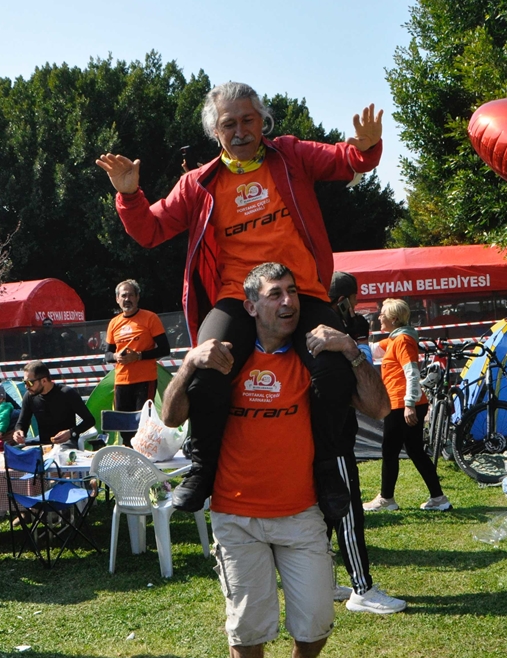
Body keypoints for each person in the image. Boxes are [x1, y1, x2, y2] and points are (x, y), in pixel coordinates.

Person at [96, 81, 384, 521]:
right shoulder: (199, 183)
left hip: (302, 293)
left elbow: (345, 160)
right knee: (207, 367)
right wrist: (130, 195)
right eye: (229, 123)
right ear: (217, 132)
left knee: (331, 368)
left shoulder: (290, 155)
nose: (240, 130)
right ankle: (204, 466)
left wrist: (365, 147)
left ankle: (326, 468)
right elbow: (150, 230)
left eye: (248, 120)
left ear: (262, 122)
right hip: (236, 298)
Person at [160, 262, 389, 658]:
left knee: (317, 624)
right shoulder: (227, 362)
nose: (287, 301)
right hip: (237, 515)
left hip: (302, 514)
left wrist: (350, 349)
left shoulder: (313, 361)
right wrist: (189, 362)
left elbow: (378, 408)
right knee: (247, 629)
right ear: (250, 305)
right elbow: (171, 416)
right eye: (274, 294)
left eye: (292, 292)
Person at [326, 272, 406, 614]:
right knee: (347, 513)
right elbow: (367, 394)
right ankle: (362, 588)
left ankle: (325, 582)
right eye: (354, 299)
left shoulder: (334, 324)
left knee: (324, 515)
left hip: (321, 435)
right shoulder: (332, 328)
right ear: (345, 299)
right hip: (331, 436)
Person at [363, 298, 450, 512]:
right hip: (403, 403)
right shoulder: (394, 339)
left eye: (382, 313)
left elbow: (412, 374)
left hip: (403, 404)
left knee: (390, 451)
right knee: (415, 451)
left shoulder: (402, 340)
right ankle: (438, 498)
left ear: (393, 318)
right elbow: (371, 349)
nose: (379, 317)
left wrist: (409, 404)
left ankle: (386, 499)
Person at [107, 279, 170, 417]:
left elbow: (165, 349)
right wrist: (115, 356)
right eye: (123, 296)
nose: (127, 299)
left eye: (130, 295)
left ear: (137, 297)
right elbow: (107, 354)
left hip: (145, 380)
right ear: (117, 299)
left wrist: (139, 356)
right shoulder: (113, 323)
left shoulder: (150, 318)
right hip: (121, 381)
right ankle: (125, 440)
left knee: (143, 425)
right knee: (123, 425)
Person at [11, 360, 96, 448]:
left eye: (29, 383)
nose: (26, 386)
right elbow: (22, 423)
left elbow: (90, 420)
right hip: (43, 443)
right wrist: (18, 432)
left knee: (59, 452)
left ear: (44, 380)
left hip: (66, 443)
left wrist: (71, 432)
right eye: (24, 382)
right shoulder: (29, 396)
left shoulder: (67, 393)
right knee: (13, 452)